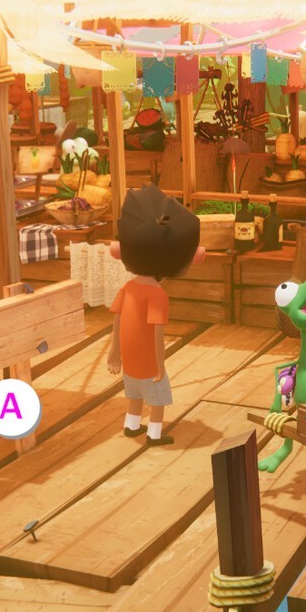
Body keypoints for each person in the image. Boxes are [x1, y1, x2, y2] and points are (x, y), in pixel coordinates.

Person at [107, 185, 204, 445]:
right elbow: (157, 332)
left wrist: (114, 351)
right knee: (157, 398)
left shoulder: (128, 288)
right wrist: (160, 365)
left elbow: (117, 319)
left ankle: (131, 426)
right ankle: (154, 433)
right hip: (149, 362)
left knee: (135, 395)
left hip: (129, 358)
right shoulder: (157, 295)